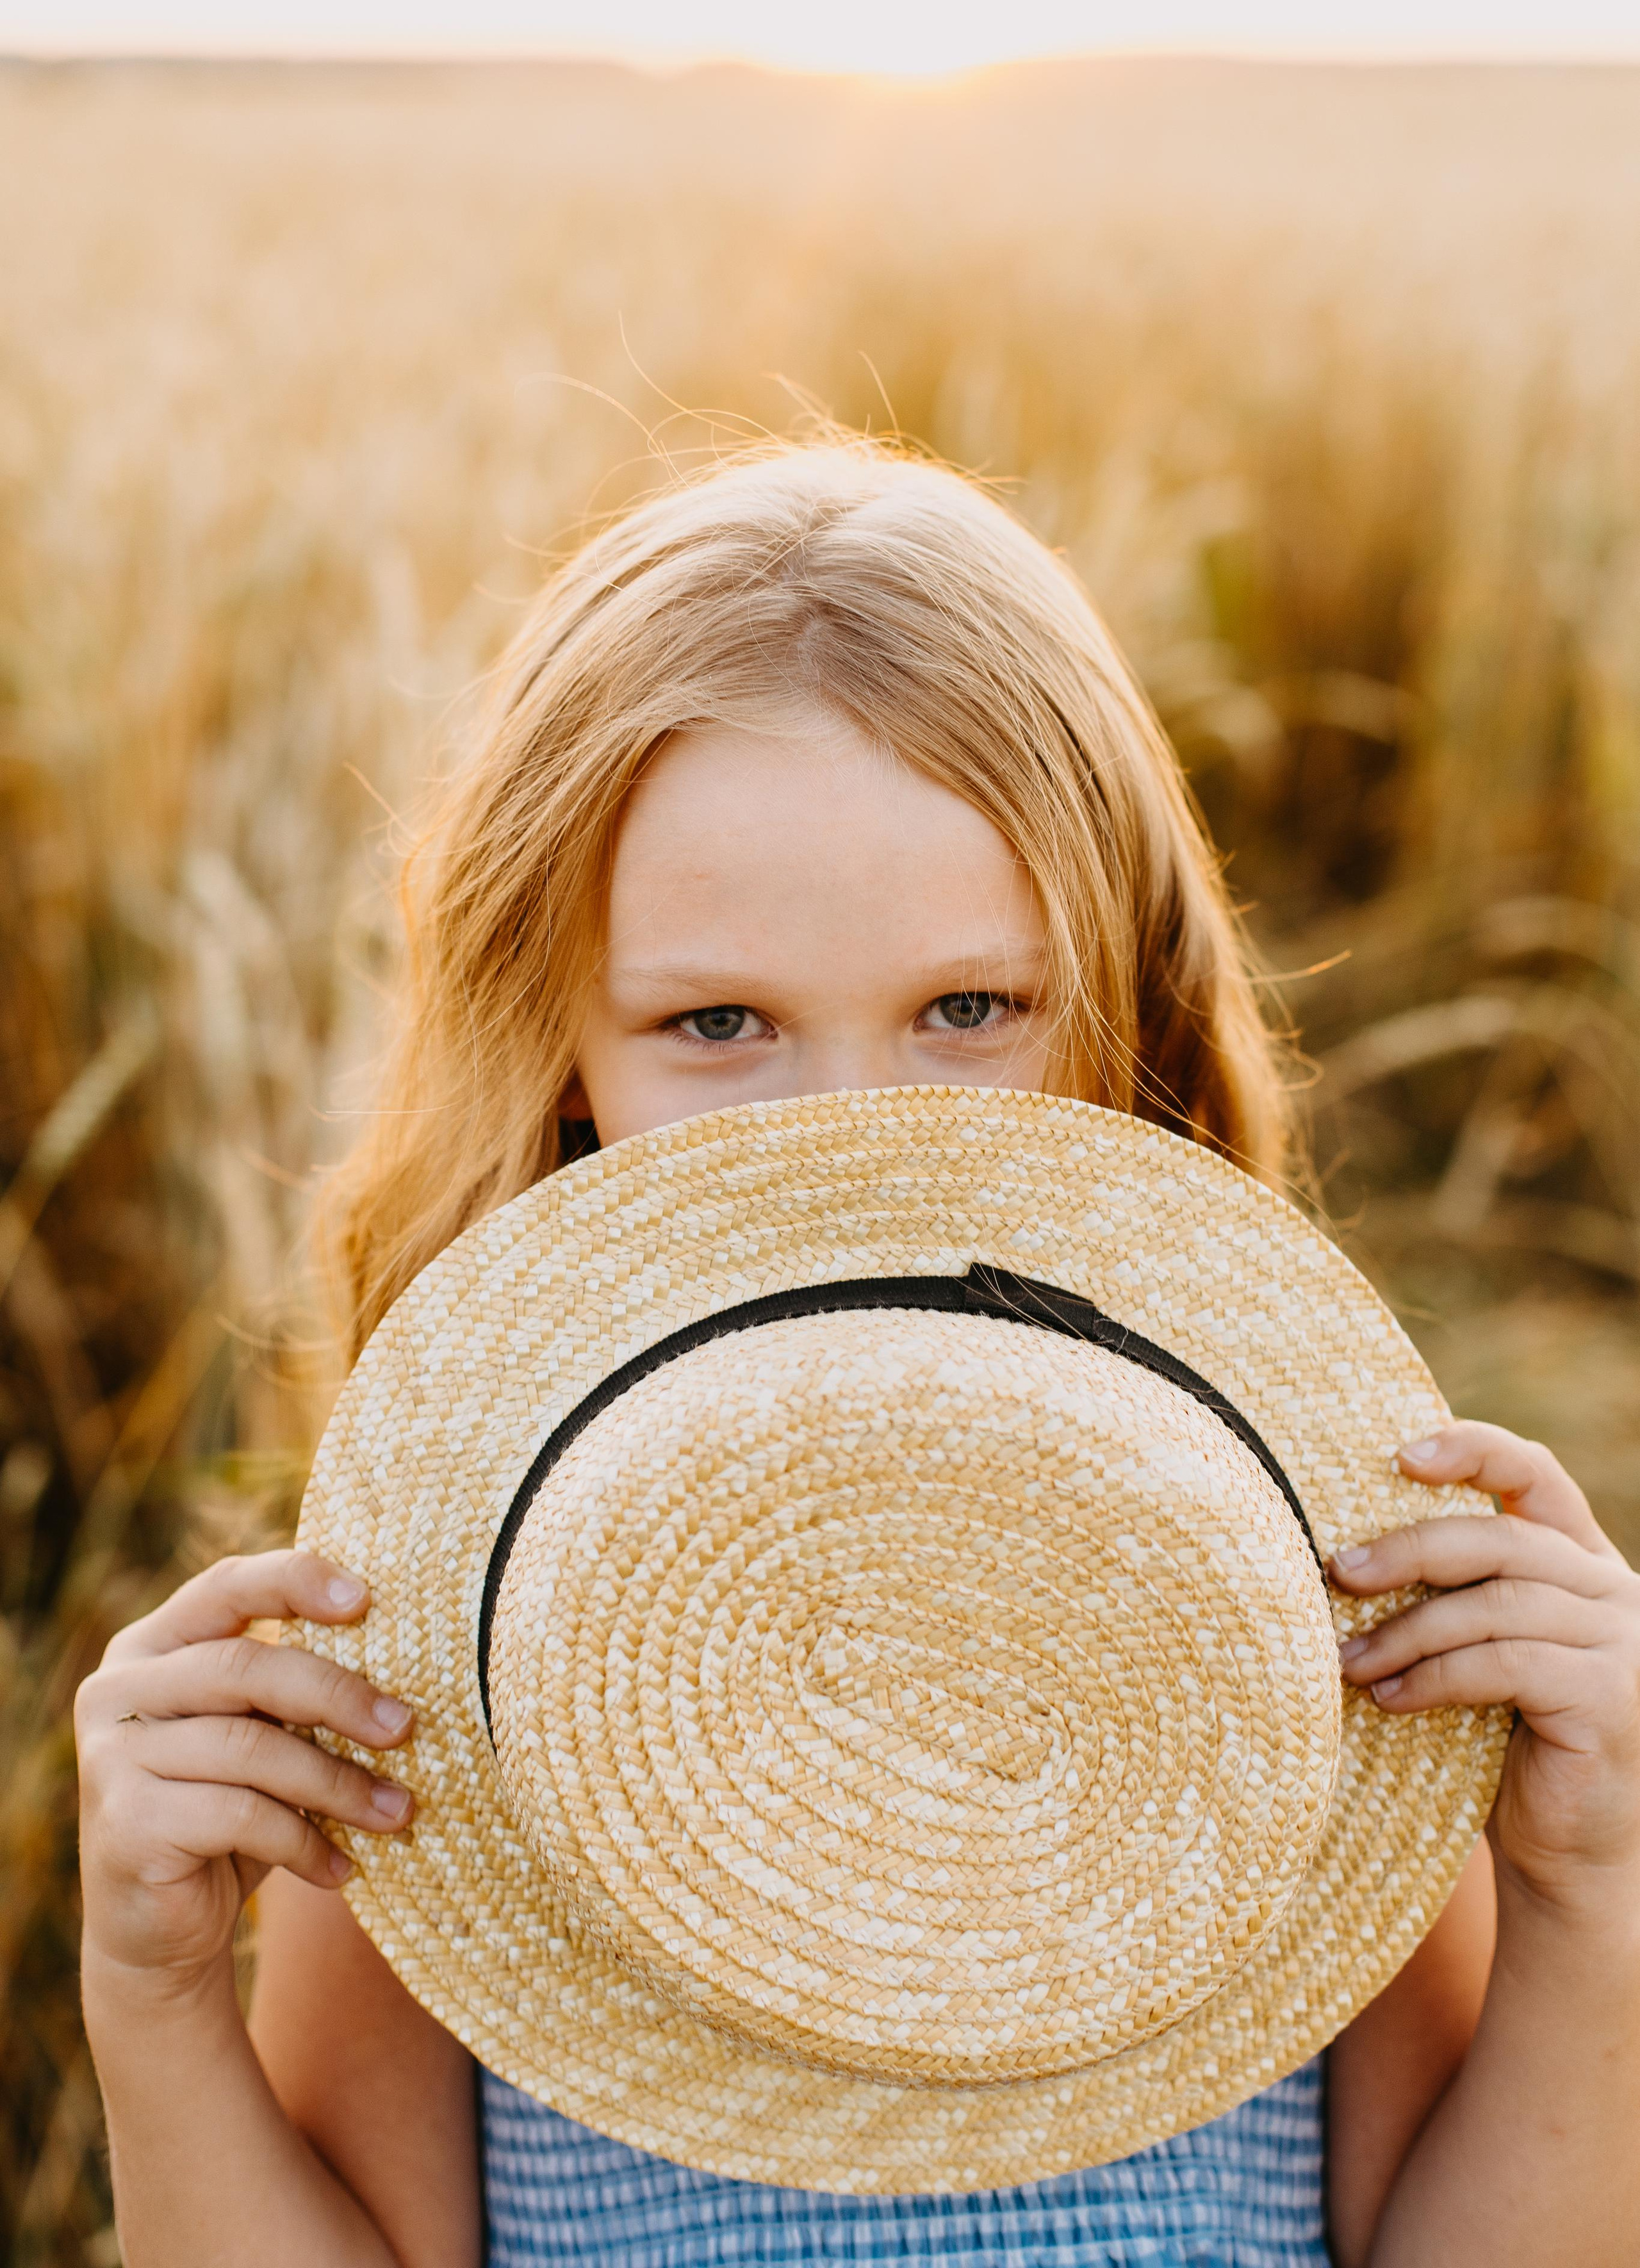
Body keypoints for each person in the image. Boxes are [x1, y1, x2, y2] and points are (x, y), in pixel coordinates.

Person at [76, 442, 1640, 2266]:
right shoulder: (456, 1644)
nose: (851, 1139)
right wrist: (156, 1997)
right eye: (717, 1021)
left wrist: (1586, 1896)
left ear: (1120, 1005)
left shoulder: (1281, 1589)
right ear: (560, 1047)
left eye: (968, 1010)